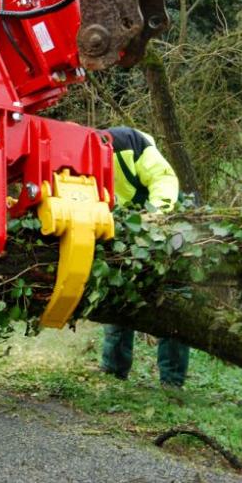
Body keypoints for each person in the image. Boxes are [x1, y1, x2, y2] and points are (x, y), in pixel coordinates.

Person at [100, 126, 189, 388]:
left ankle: (172, 381)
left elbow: (164, 178)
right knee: (118, 293)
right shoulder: (71, 165)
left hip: (168, 222)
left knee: (173, 299)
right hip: (125, 232)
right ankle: (113, 370)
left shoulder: (128, 142)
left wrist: (156, 220)